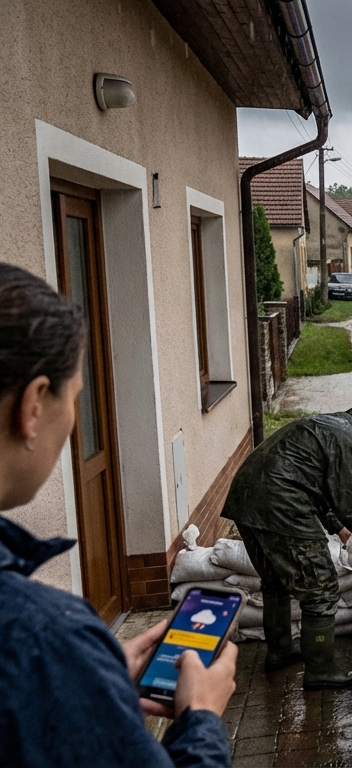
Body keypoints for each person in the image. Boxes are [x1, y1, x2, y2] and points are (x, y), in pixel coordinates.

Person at [0, 263, 237, 767]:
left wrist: (94, 687)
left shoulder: (56, 654)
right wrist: (201, 719)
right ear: (33, 406)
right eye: (77, 399)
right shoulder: (42, 638)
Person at [221, 395, 352, 689]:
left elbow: (315, 486)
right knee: (322, 587)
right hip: (280, 506)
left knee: (276, 579)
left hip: (246, 499)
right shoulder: (351, 442)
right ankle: (320, 669)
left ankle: (279, 652)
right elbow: (349, 503)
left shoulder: (331, 426)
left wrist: (339, 529)